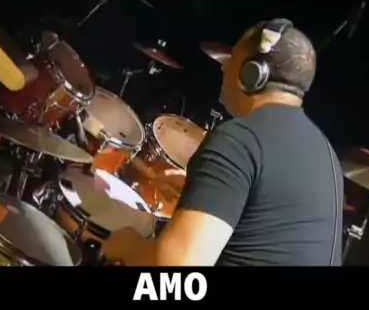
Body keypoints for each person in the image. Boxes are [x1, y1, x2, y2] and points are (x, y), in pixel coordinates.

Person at [103, 18, 344, 267]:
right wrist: (204, 193)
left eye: (231, 60)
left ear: (252, 74)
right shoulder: (327, 157)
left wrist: (127, 247)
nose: (223, 69)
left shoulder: (240, 139)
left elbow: (178, 270)